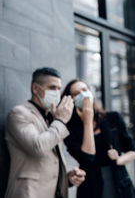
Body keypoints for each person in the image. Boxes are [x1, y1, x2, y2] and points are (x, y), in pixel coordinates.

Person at [5, 67, 86, 198]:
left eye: (59, 88)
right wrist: (61, 120)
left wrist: (67, 179)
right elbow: (37, 147)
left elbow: (50, 163)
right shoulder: (19, 113)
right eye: (52, 88)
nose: (57, 93)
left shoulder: (52, 118)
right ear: (35, 88)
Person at [61, 79, 135, 198]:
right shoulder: (70, 130)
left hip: (119, 182)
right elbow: (87, 158)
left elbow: (133, 151)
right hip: (91, 187)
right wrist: (87, 121)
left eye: (84, 90)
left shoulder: (113, 118)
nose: (82, 95)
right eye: (76, 93)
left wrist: (118, 159)